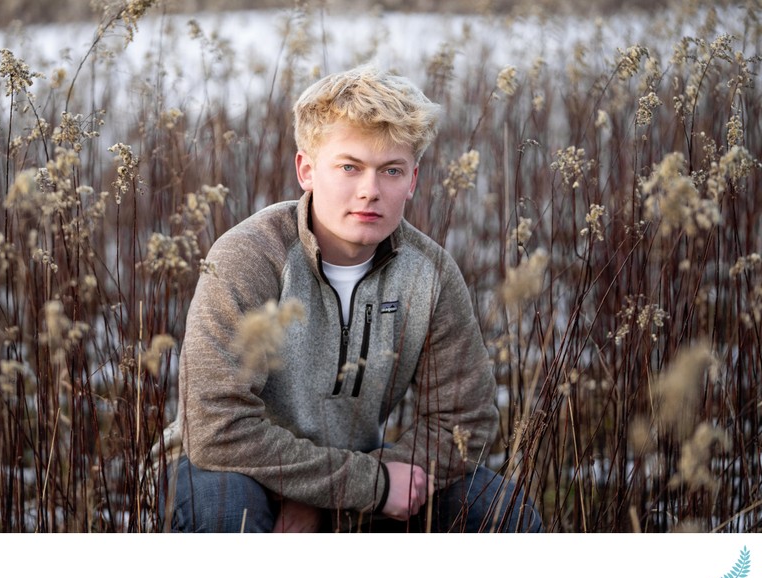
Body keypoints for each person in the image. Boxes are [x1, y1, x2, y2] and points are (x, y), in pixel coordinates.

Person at [159, 64, 542, 533]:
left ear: (413, 179)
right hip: (225, 472)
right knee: (225, 512)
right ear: (307, 170)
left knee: (498, 508)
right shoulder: (250, 256)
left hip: (358, 470)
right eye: (349, 166)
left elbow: (464, 420)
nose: (370, 191)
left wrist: (342, 495)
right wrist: (369, 485)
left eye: (391, 171)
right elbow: (217, 429)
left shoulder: (430, 273)